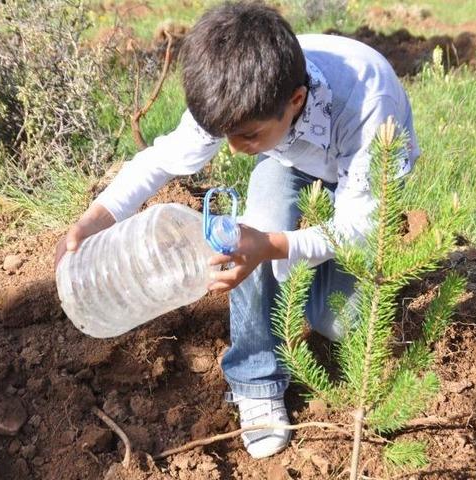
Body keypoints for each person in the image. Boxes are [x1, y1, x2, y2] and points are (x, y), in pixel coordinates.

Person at [54, 0, 418, 459]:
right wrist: (96, 218)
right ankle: (255, 380)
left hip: (367, 166)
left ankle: (328, 281)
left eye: (246, 135)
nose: (235, 149)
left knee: (338, 320)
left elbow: (362, 229)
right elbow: (161, 160)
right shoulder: (235, 91)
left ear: (296, 101)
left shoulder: (367, 105)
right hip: (288, 156)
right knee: (237, 240)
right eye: (224, 135)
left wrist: (271, 248)